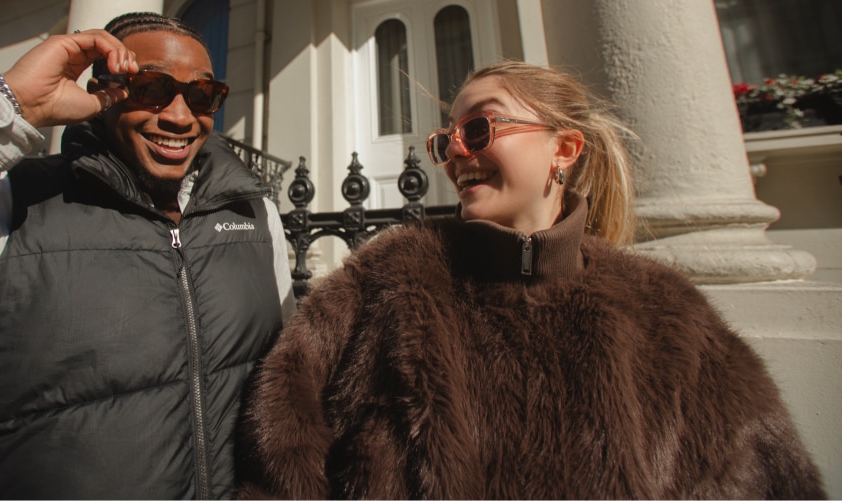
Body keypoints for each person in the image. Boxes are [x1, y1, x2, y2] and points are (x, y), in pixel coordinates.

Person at [233, 60, 825, 499]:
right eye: (447, 140)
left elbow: (760, 476)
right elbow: (280, 440)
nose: (457, 152)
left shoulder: (665, 312)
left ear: (564, 148)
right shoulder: (383, 280)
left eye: (481, 129)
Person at [0, 12, 294, 499]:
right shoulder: (11, 204)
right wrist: (10, 108)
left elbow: (290, 392)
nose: (178, 116)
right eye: (151, 87)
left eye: (202, 95)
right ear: (105, 89)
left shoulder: (256, 217)